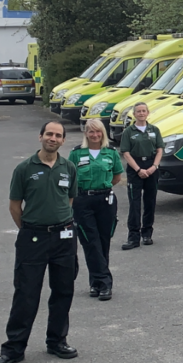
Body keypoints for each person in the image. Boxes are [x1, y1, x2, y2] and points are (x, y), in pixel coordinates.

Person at [0, 122, 79, 363]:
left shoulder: (68, 167)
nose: (53, 138)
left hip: (64, 237)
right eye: (49, 134)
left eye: (58, 135)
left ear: (63, 141)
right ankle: (14, 349)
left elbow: (69, 199)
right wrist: (29, 230)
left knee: (63, 291)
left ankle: (57, 341)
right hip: (33, 239)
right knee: (26, 294)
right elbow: (15, 205)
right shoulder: (24, 169)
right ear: (40, 137)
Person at [69, 119, 124, 301]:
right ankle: (105, 283)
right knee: (90, 242)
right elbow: (70, 178)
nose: (95, 135)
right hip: (83, 200)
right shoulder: (77, 154)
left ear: (103, 133)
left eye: (98, 132)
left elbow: (116, 176)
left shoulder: (111, 153)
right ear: (86, 133)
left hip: (105, 200)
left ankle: (95, 282)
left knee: (103, 241)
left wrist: (103, 188)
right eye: (91, 132)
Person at [119, 103, 164, 249]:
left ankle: (147, 234)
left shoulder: (154, 130)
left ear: (148, 113)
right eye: (138, 111)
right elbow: (126, 153)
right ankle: (133, 237)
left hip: (151, 166)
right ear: (134, 114)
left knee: (150, 202)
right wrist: (138, 170)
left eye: (144, 111)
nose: (141, 113)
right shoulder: (128, 132)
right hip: (135, 168)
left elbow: (159, 150)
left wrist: (154, 167)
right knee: (135, 204)